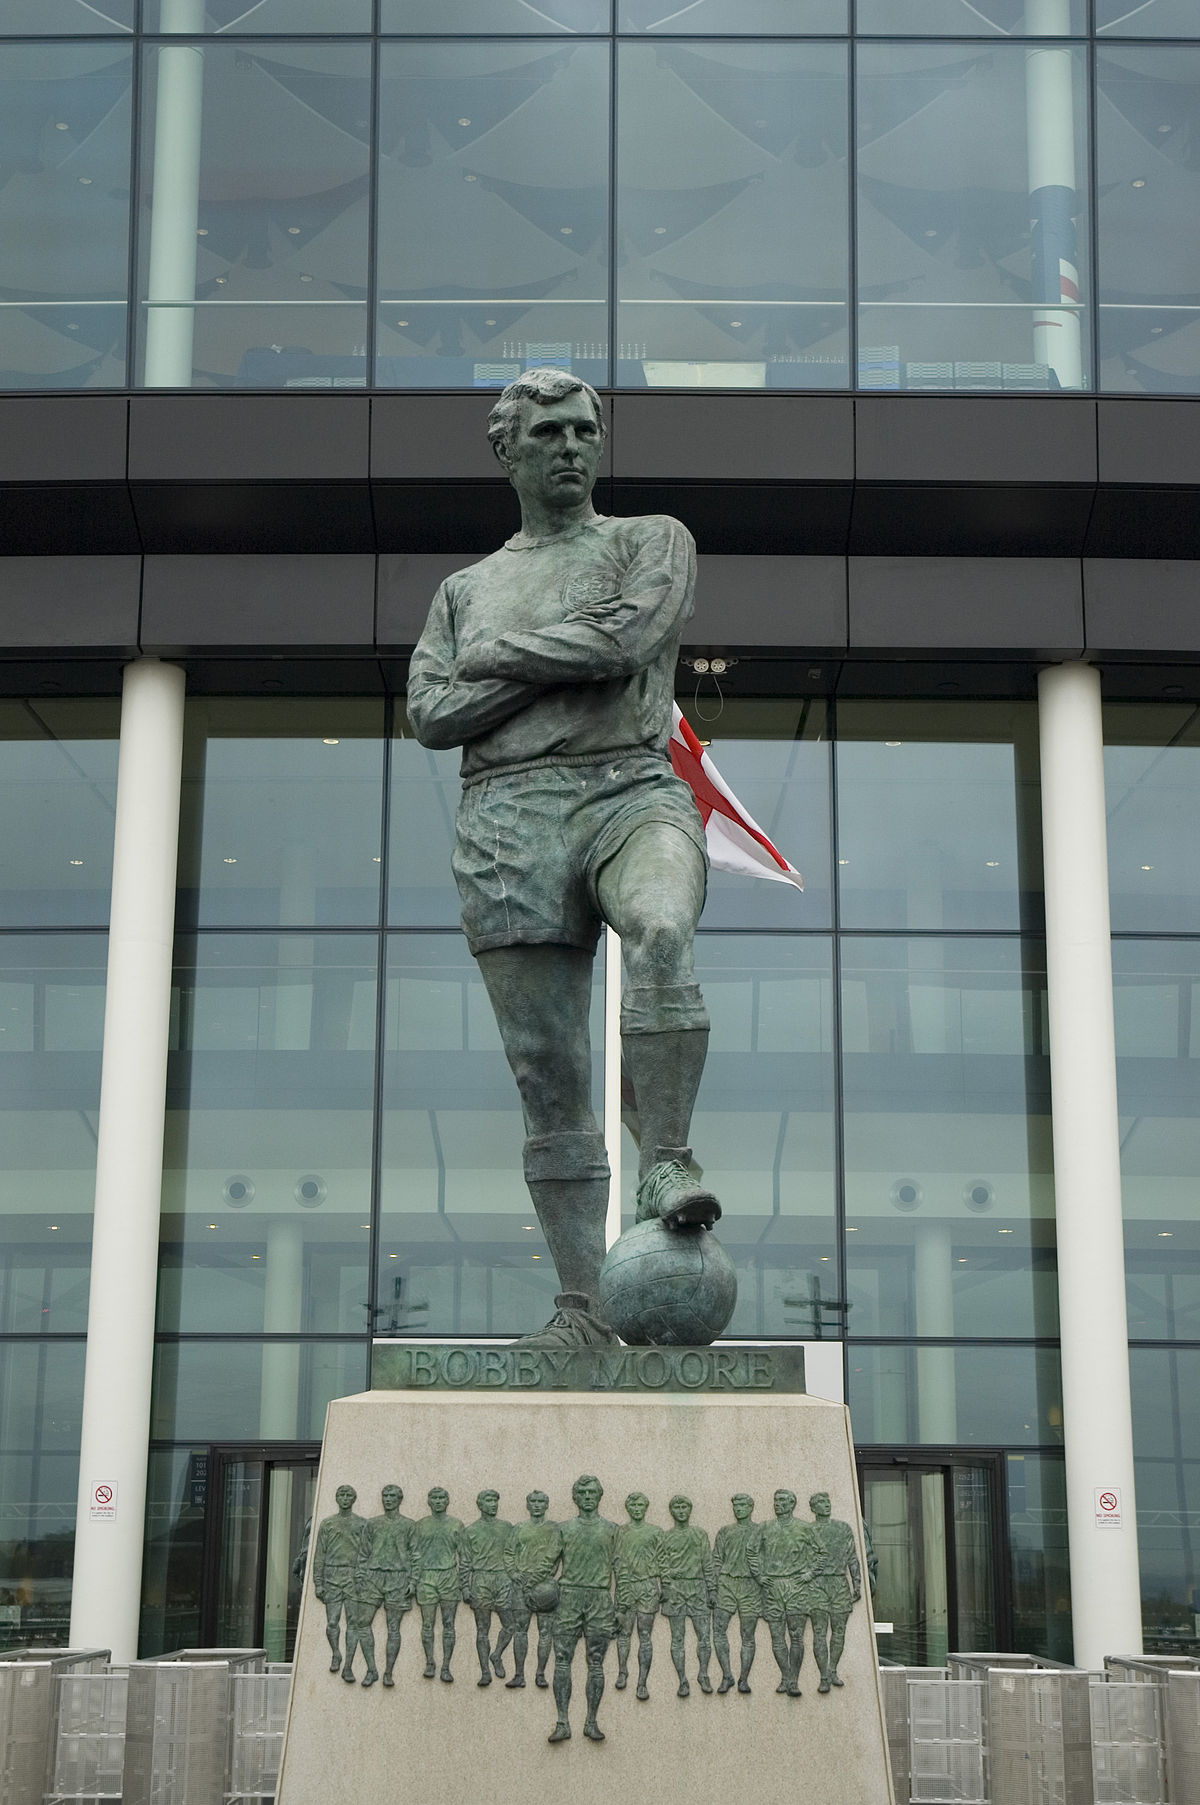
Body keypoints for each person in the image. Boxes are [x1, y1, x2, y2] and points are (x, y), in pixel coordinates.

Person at [407, 368, 717, 1348]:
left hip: (632, 787)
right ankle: (583, 1305)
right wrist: (555, 659)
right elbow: (431, 712)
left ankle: (666, 1158)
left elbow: (629, 638)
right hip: (506, 818)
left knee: (660, 925)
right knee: (548, 1073)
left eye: (586, 429)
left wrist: (499, 657)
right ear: (509, 451)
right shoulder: (464, 591)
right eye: (549, 433)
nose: (573, 446)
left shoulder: (651, 539)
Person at [547, 1473, 618, 1744]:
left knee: (596, 1661)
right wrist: (533, 1587)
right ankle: (562, 1722)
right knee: (562, 1658)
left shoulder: (612, 1529)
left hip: (599, 1597)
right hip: (569, 1596)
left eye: (592, 1493)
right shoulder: (564, 1529)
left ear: (599, 1496)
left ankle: (591, 1722)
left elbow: (621, 1568)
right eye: (583, 1493)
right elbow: (549, 1563)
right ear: (575, 1498)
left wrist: (621, 1606)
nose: (588, 1497)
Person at [499, 1490, 562, 1690]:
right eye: (533, 1501)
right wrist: (513, 1573)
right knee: (520, 1630)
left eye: (540, 1501)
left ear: (546, 1505)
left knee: (545, 1631)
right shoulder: (519, 1528)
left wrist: (535, 1579)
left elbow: (552, 1556)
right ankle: (519, 1674)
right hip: (521, 1583)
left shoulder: (554, 1529)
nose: (536, 1505)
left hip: (545, 1585)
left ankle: (540, 1674)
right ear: (527, 1505)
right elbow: (509, 1553)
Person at [354, 1482, 415, 1688]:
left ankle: (388, 1672)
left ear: (399, 1499)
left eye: (392, 1496)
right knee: (363, 1622)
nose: (388, 1499)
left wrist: (413, 1581)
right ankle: (372, 1670)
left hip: (398, 1579)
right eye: (385, 1496)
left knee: (393, 1628)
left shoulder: (409, 1525)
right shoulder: (372, 1524)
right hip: (373, 1577)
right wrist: (360, 1577)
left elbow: (415, 1555)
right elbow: (363, 1553)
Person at [750, 1488, 809, 1697]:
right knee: (776, 1636)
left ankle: (794, 1680)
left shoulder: (804, 1527)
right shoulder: (765, 1527)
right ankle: (785, 1677)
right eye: (776, 1500)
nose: (778, 1504)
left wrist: (810, 1574)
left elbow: (820, 1552)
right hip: (772, 1586)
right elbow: (751, 1551)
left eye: (783, 1500)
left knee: (796, 1635)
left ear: (792, 1504)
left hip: (795, 1586)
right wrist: (759, 1576)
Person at [803, 1491, 862, 1694]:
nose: (826, 1505)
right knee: (819, 1631)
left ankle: (833, 1670)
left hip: (839, 1583)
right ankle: (823, 1676)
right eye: (820, 1502)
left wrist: (857, 1584)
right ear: (813, 1508)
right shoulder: (808, 1530)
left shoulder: (843, 1528)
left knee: (839, 1630)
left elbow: (852, 1558)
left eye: (827, 1501)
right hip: (817, 1584)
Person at [659, 1493, 716, 1698]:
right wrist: (666, 1585)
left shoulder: (699, 1534)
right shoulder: (665, 1536)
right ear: (671, 1511)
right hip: (675, 1590)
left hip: (698, 1588)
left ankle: (703, 1674)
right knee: (677, 1638)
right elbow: (662, 1563)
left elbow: (707, 1563)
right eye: (677, 1508)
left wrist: (712, 1589)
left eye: (685, 1507)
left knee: (704, 1637)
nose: (681, 1511)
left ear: (690, 1510)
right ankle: (682, 1679)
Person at [311, 1484, 368, 1682]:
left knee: (353, 1623)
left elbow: (367, 1554)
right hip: (332, 1576)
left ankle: (349, 1666)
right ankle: (336, 1653)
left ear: (354, 1499)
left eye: (348, 1495)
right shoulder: (327, 1524)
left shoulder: (362, 1524)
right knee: (332, 1622)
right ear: (336, 1498)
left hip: (353, 1576)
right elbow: (319, 1554)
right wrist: (318, 1582)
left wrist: (363, 1578)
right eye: (341, 1495)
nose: (345, 1498)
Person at [458, 1487, 514, 1687]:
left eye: (495, 1501)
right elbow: (464, 1561)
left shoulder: (507, 1527)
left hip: (503, 1579)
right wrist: (465, 1586)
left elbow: (513, 1554)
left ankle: (496, 1654)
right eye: (488, 1501)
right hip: (481, 1580)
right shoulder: (470, 1530)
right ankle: (485, 1672)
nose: (492, 1505)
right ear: (480, 1505)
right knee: (482, 1629)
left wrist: (514, 1578)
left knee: (510, 1625)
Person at [613, 1490, 664, 1699]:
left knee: (645, 1635)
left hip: (648, 1586)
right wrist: (623, 1585)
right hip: (626, 1586)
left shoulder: (656, 1532)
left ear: (645, 1508)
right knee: (624, 1633)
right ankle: (622, 1672)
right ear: (628, 1508)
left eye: (640, 1505)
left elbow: (663, 1560)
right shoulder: (621, 1531)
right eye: (633, 1506)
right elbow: (617, 1560)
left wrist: (665, 1586)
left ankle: (642, 1682)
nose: (636, 1509)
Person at [411, 1485, 463, 1683]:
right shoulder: (420, 1525)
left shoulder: (456, 1524)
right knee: (427, 1624)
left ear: (447, 1501)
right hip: (426, 1577)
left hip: (448, 1576)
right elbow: (413, 1554)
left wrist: (463, 1581)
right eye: (434, 1498)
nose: (438, 1501)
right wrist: (413, 1580)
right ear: (429, 1501)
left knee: (449, 1624)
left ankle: (446, 1666)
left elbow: (464, 1555)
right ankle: (430, 1662)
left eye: (442, 1498)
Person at [712, 1492, 762, 1695]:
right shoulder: (725, 1531)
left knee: (747, 1634)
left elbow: (766, 1559)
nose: (739, 1509)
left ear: (751, 1508)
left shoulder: (760, 1531)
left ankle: (744, 1679)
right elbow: (716, 1559)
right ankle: (727, 1676)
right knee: (718, 1630)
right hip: (727, 1584)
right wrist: (713, 1587)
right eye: (736, 1506)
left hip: (750, 1586)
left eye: (743, 1506)